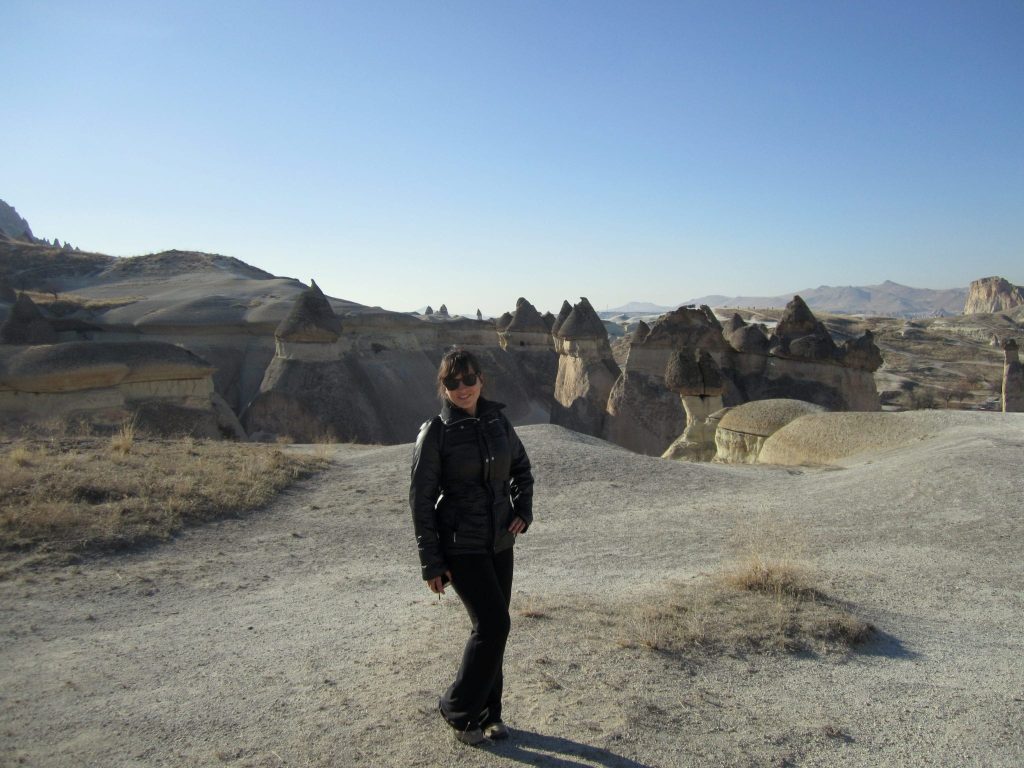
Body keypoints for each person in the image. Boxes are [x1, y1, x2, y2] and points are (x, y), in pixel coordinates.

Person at [409, 348, 534, 746]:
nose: (462, 389)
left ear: (481, 380)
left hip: (500, 541)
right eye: (452, 382)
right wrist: (432, 562)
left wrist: (523, 510)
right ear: (443, 387)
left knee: (493, 629)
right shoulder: (437, 432)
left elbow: (521, 469)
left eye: (468, 380)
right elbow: (421, 500)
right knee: (494, 625)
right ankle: (458, 709)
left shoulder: (498, 421)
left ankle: (491, 714)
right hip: (462, 545)